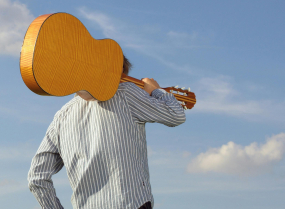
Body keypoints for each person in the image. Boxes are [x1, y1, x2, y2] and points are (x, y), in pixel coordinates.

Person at [27, 56, 186, 209]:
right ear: (120, 74)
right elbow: (176, 115)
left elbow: (37, 178)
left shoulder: (61, 117)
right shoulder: (124, 93)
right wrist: (156, 91)